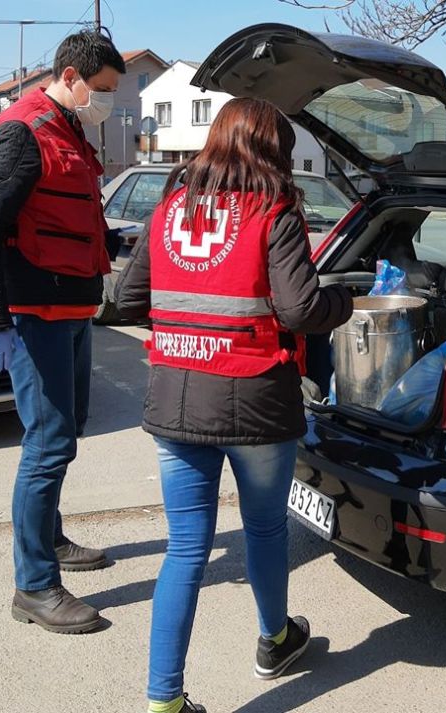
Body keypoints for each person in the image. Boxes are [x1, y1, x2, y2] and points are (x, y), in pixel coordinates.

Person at [115, 97, 353, 713]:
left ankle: (163, 701)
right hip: (254, 402)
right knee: (265, 528)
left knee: (185, 549)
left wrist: (189, 317)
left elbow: (129, 296)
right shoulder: (273, 208)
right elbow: (300, 309)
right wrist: (345, 304)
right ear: (270, 149)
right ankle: (275, 640)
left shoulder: (169, 207)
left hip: (175, 397)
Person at [0, 30, 127, 634]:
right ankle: (33, 586)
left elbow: (65, 213)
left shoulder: (68, 128)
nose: (108, 101)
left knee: (67, 428)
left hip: (72, 309)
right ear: (73, 76)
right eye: (103, 89)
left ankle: (50, 540)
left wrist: (111, 242)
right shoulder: (21, 131)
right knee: (48, 442)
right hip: (34, 316)